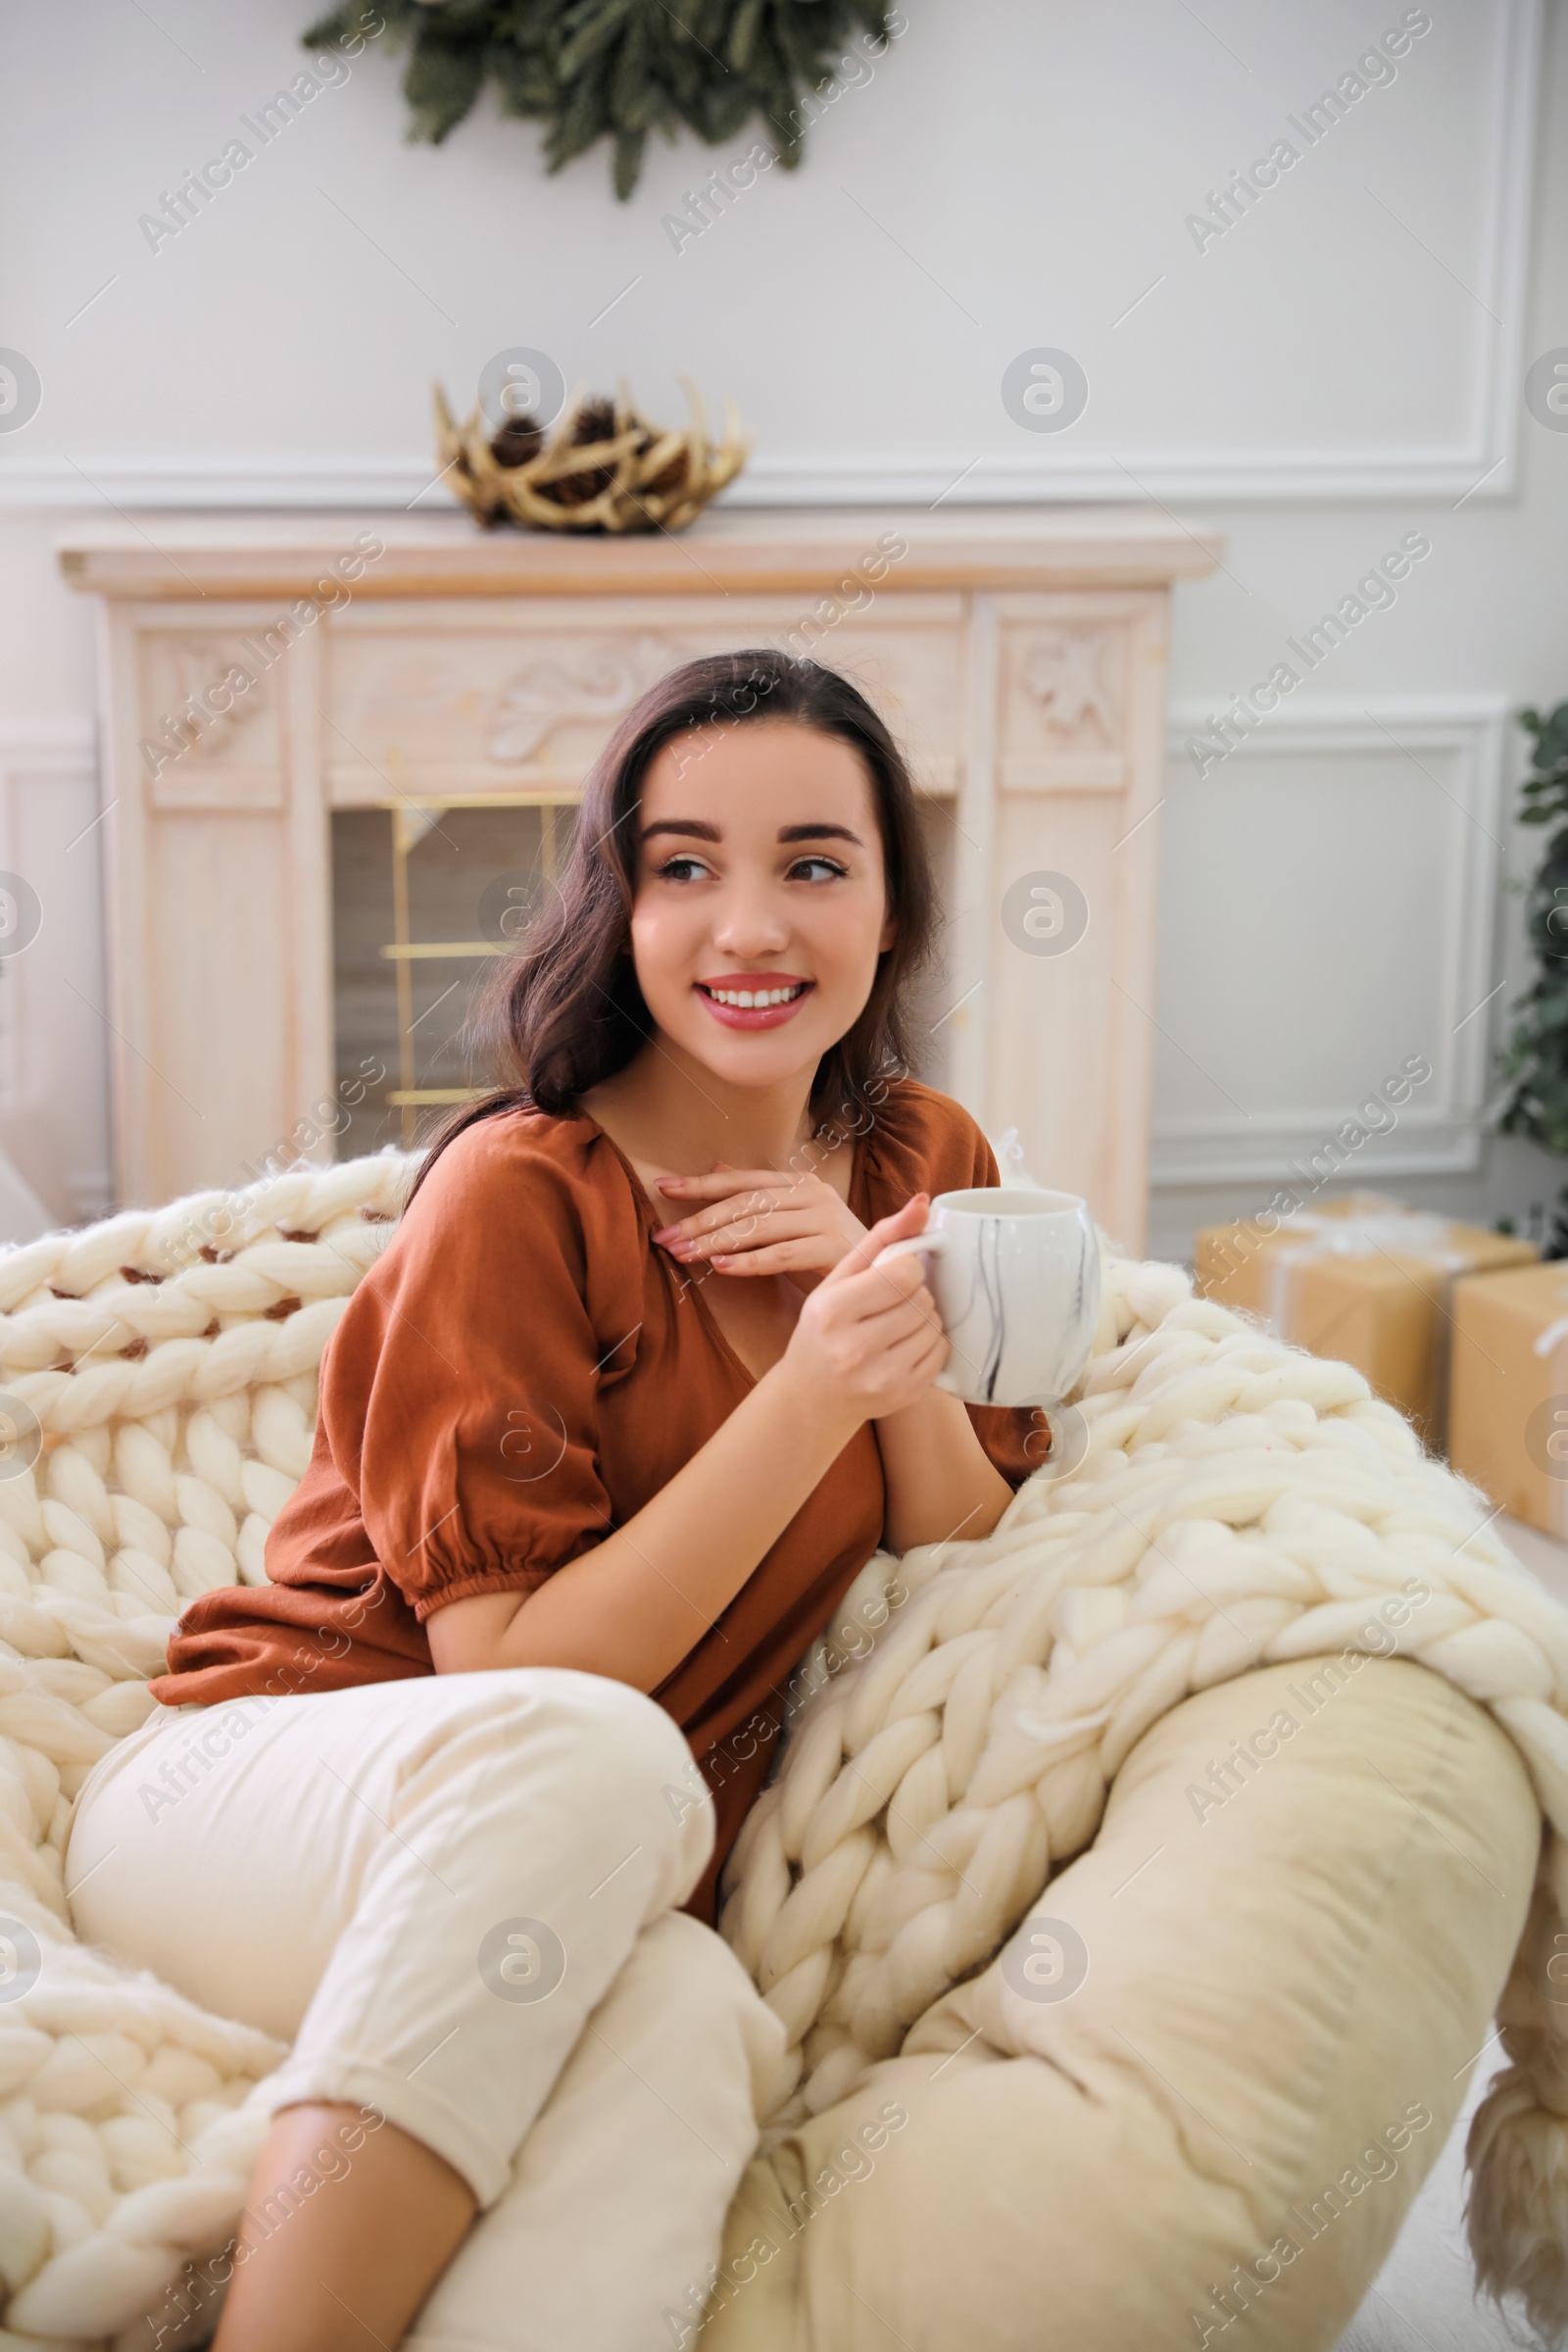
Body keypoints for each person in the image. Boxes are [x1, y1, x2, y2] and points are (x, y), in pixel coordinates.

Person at [64, 649, 1047, 2352]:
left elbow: (956, 1537)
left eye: (815, 864)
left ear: (892, 910)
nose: (749, 926)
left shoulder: (923, 1160)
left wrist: (879, 1322)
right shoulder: (522, 1196)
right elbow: (525, 1679)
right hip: (259, 1792)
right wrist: (814, 1382)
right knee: (607, 1761)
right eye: (684, 868)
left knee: (687, 2019)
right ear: (622, 901)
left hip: (578, 1860)